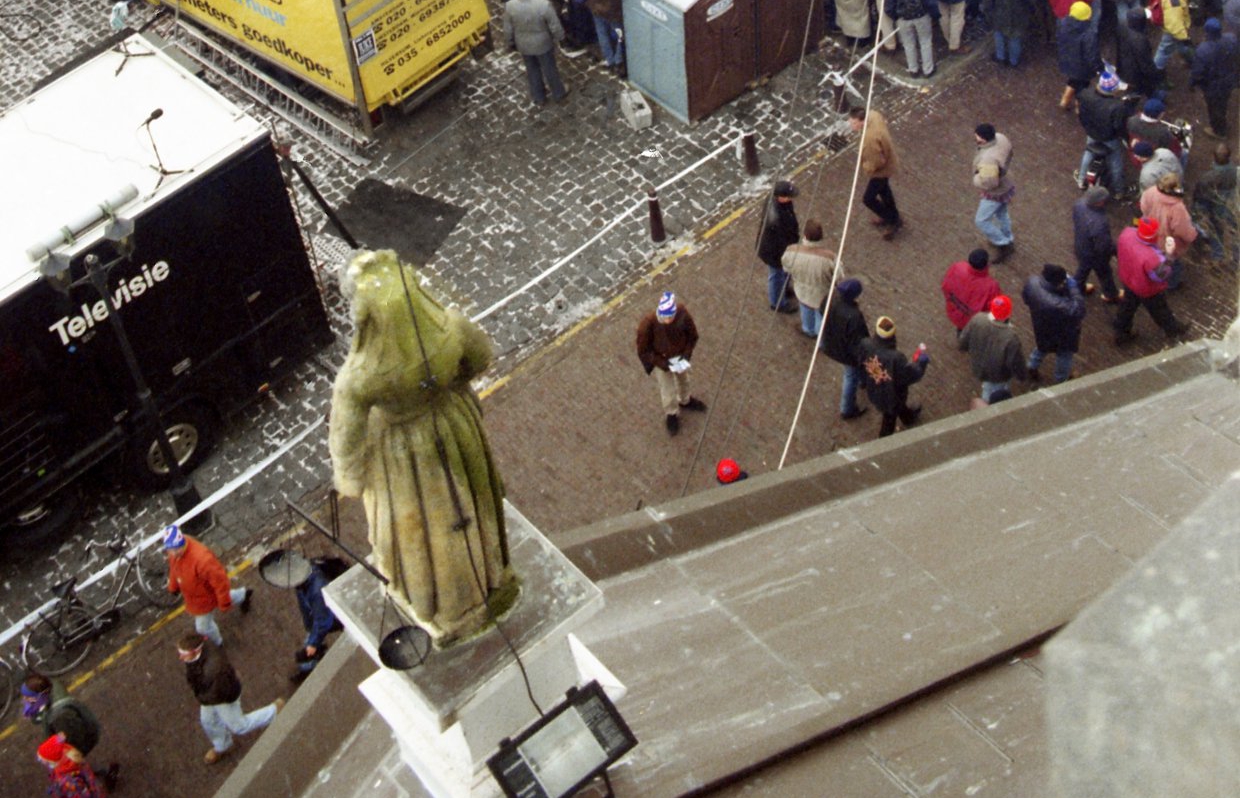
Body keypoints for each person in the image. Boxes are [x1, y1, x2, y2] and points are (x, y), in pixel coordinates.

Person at [328, 250, 514, 647]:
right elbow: (480, 358)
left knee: (424, 532)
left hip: (403, 455)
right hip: (455, 425)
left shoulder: (360, 377)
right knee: (471, 508)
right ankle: (491, 576)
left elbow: (346, 449)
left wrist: (353, 480)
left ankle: (447, 605)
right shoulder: (450, 328)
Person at [178, 633, 284, 765]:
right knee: (208, 721)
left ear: (196, 650)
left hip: (222, 697)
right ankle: (222, 746)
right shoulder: (201, 654)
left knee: (239, 726)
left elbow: (218, 692)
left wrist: (202, 699)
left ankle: (274, 711)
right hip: (208, 695)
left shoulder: (215, 669)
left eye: (184, 654)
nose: (180, 657)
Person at [22, 674, 119, 791]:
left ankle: (102, 775)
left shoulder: (60, 716)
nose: (25, 701)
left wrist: (61, 755)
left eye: (29, 699)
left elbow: (72, 741)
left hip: (78, 742)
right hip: (75, 734)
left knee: (75, 770)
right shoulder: (51, 687)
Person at [164, 524, 252, 648]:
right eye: (169, 551)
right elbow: (174, 568)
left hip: (203, 600)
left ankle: (218, 643)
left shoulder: (202, 559)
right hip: (200, 597)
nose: (171, 554)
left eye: (173, 550)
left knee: (203, 627)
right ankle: (244, 594)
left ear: (180, 544)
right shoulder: (175, 553)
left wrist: (224, 603)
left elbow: (220, 582)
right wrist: (173, 586)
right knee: (224, 597)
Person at [635, 291, 706, 436]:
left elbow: (692, 336)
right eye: (665, 317)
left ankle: (685, 400)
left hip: (680, 357)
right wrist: (662, 363)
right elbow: (644, 350)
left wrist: (686, 355)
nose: (668, 320)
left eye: (670, 316)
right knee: (667, 390)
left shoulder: (682, 314)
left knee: (684, 380)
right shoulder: (648, 324)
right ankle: (671, 413)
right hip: (662, 361)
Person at [266, 557, 344, 685]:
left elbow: (323, 622)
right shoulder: (306, 574)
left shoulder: (316, 592)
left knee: (310, 641)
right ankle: (315, 652)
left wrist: (313, 644)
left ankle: (308, 665)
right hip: (313, 616)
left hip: (320, 619)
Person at [1113, 217, 1191, 344]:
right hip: (1146, 289)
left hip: (1129, 279)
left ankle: (1121, 332)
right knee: (1160, 310)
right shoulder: (1151, 258)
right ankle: (1173, 329)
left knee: (1127, 307)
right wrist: (1169, 255)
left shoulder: (1126, 233)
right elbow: (1161, 275)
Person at [856, 315, 929, 437]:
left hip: (874, 387)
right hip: (891, 395)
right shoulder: (896, 358)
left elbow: (860, 363)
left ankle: (908, 417)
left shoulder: (865, 344)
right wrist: (921, 363)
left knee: (896, 407)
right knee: (889, 419)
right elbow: (911, 375)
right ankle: (884, 442)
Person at [1022, 264, 1086, 383]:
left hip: (1041, 326)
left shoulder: (1032, 282)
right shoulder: (1060, 305)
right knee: (1064, 355)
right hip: (1064, 333)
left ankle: (1031, 366)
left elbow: (1026, 299)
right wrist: (1073, 288)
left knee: (1042, 347)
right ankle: (1061, 379)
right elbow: (1079, 310)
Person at [1074, 70, 1134, 195]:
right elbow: (1119, 126)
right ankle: (1119, 190)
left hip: (1091, 132)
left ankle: (1081, 179)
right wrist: (1125, 138)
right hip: (1108, 137)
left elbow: (1080, 111)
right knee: (1115, 161)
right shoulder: (1117, 106)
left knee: (1088, 152)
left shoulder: (1085, 94)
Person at [959, 295, 1028, 401]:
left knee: (988, 387)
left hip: (979, 364)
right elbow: (1015, 362)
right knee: (992, 393)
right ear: (1008, 313)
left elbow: (963, 341)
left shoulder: (978, 319)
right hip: (998, 375)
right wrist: (1022, 376)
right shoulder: (1010, 337)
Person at [820, 278, 870, 420]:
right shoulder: (854, 315)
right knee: (850, 375)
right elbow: (860, 339)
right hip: (846, 351)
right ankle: (847, 409)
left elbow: (821, 311)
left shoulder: (829, 299)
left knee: (853, 372)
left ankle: (863, 380)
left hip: (831, 343)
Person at [504, 0, 569, 107]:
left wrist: (510, 42)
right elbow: (554, 24)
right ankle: (558, 92)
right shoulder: (543, 4)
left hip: (523, 44)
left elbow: (508, 28)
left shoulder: (510, 5)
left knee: (531, 69)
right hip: (543, 44)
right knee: (549, 68)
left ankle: (539, 97)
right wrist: (561, 38)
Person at [849, 107, 902, 237]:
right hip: (890, 160)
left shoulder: (869, 139)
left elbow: (876, 163)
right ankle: (893, 214)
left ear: (862, 121)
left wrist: (865, 167)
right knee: (885, 191)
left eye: (854, 123)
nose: (851, 125)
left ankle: (892, 219)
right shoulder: (874, 115)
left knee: (868, 199)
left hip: (881, 171)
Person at [1139, 172, 1197, 289]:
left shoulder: (1150, 192)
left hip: (1151, 234)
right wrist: (1192, 235)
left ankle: (1155, 277)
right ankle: (1171, 284)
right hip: (1167, 242)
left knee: (1155, 259)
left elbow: (1143, 208)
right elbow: (1182, 230)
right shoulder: (1177, 207)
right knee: (1172, 264)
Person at [782, 220, 837, 336]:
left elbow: (786, 267)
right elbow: (838, 276)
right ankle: (821, 338)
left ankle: (808, 329)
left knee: (805, 308)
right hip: (821, 294)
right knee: (820, 315)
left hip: (802, 289)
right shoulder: (830, 258)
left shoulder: (792, 251)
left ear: (805, 235)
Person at [972, 123, 1016, 262]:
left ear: (983, 139)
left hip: (996, 192)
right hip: (1006, 183)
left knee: (981, 220)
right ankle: (1007, 237)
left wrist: (976, 179)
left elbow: (990, 183)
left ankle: (1002, 243)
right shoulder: (1001, 138)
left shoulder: (988, 159)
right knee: (1001, 213)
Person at [1190, 18, 1239, 138]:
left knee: (1214, 108)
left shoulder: (1203, 49)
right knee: (1223, 102)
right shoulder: (1231, 39)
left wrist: (1193, 83)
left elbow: (1198, 72)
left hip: (1213, 86)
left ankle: (1219, 131)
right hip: (1229, 80)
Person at [757, 181, 801, 313]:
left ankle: (785, 289)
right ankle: (777, 303)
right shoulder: (774, 216)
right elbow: (779, 236)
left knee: (785, 271)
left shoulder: (781, 203)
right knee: (776, 275)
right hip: (775, 252)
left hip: (784, 248)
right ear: (780, 197)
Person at [1073, 186, 1121, 302]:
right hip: (1094, 253)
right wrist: (1112, 252)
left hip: (1080, 244)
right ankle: (1111, 294)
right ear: (1099, 202)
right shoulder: (1099, 222)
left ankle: (1076, 288)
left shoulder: (1079, 204)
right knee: (1104, 272)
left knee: (1083, 268)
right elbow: (1103, 246)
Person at [1193, 143, 1238, 263]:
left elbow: (1201, 199)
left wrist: (1197, 213)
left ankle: (1217, 257)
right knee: (1235, 234)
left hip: (1217, 211)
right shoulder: (1235, 171)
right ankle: (1236, 262)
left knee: (1216, 232)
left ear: (1213, 157)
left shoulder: (1208, 178)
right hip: (1233, 208)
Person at [941, 248, 1001, 333]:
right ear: (987, 264)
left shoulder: (957, 267)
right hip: (973, 322)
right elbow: (994, 308)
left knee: (962, 331)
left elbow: (945, 286)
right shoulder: (991, 286)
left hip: (954, 313)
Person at [1056, 2, 1100, 111]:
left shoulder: (1063, 24)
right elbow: (1091, 54)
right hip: (1083, 65)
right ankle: (1079, 108)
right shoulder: (1089, 33)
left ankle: (1065, 100)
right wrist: (1099, 67)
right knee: (1083, 86)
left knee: (1073, 79)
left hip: (1067, 60)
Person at [37, 733, 106, 798]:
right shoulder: (69, 758)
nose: (41, 761)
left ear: (54, 762)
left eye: (44, 761)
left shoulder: (70, 782)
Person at [1128, 98, 1185, 171]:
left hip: (1137, 154)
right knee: (1184, 154)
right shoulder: (1163, 132)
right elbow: (1174, 150)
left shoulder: (1132, 120)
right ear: (1160, 115)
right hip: (1154, 158)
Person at [1116, 7, 1161, 96]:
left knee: (1133, 90)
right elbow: (1145, 63)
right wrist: (1153, 75)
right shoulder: (1140, 40)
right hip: (1136, 74)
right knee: (1143, 90)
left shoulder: (1122, 27)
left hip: (1125, 67)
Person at [887, 0, 939, 77]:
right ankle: (928, 69)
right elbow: (930, 2)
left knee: (908, 44)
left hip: (903, 18)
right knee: (925, 42)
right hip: (921, 16)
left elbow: (889, 7)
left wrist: (897, 17)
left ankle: (913, 69)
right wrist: (935, 15)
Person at [984, 0, 1035, 67]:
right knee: (1015, 37)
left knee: (999, 34)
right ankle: (1013, 62)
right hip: (1018, 13)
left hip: (1000, 12)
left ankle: (1000, 57)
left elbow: (987, 3)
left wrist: (988, 13)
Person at [586, 0, 625, 75]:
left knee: (602, 33)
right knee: (620, 35)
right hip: (614, 10)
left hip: (596, 6)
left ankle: (609, 60)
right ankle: (618, 61)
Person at [1153, 0, 1194, 71]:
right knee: (1164, 51)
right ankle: (1156, 73)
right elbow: (1174, 23)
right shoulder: (1174, 2)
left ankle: (1192, 60)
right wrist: (1184, 37)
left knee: (1182, 47)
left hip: (1179, 28)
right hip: (1176, 30)